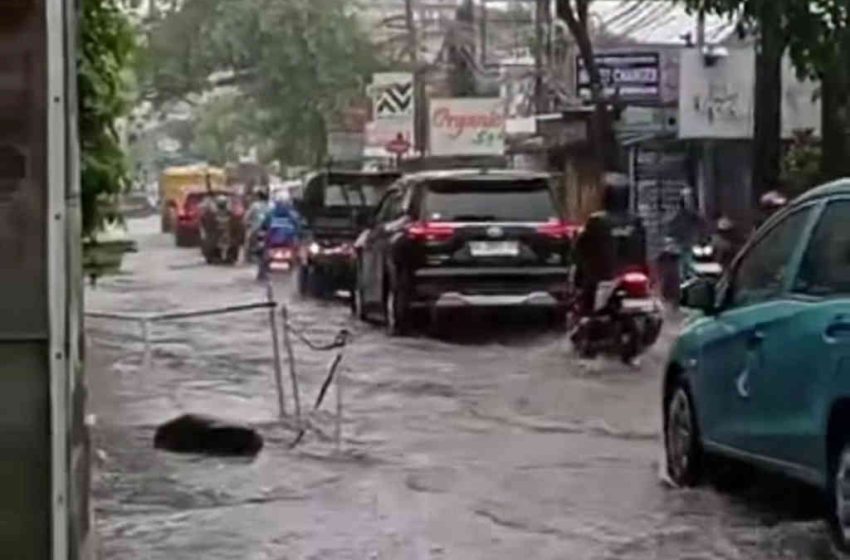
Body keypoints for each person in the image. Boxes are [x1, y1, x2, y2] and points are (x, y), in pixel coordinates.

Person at [574, 173, 647, 314]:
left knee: (587, 303)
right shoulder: (636, 220)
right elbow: (643, 248)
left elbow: (581, 247)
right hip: (633, 273)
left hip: (603, 276)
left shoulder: (597, 220)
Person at [256, 199, 303, 281]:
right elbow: (299, 229)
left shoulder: (270, 214)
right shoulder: (294, 215)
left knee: (262, 254)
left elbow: (262, 228)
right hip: (287, 245)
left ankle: (262, 274)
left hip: (273, 245)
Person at [244, 188, 270, 262]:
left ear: (258, 197)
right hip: (267, 229)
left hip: (255, 228)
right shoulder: (271, 205)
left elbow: (247, 217)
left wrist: (246, 223)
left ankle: (248, 257)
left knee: (248, 239)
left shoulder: (254, 205)